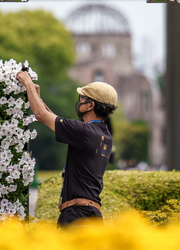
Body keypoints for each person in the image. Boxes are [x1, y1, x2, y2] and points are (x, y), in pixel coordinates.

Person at [16, 72, 117, 227]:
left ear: (91, 105)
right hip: (91, 214)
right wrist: (37, 98)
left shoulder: (84, 132)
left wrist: (28, 83)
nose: (79, 102)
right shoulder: (103, 134)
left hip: (77, 216)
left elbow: (41, 115)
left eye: (82, 98)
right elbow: (53, 119)